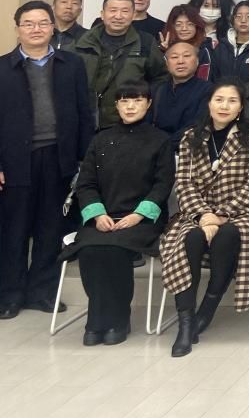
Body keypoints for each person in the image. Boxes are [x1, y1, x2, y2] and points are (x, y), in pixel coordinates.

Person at [0, 0, 96, 319]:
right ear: (17, 29)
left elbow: (84, 114)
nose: (36, 29)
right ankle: (11, 295)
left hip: (59, 158)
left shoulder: (72, 64)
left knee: (51, 229)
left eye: (43, 23)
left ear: (52, 27)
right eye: (28, 23)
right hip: (14, 161)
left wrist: (84, 159)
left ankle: (42, 292)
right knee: (14, 231)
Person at [159, 79, 249, 357]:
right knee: (189, 239)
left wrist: (222, 216)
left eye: (232, 101)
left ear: (241, 107)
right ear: (209, 103)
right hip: (197, 211)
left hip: (244, 211)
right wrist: (204, 215)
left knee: (228, 235)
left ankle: (207, 308)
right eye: (219, 99)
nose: (224, 106)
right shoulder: (191, 137)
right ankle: (186, 322)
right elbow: (184, 184)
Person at [65, 81, 174, 345]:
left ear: (148, 104)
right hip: (102, 217)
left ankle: (117, 319)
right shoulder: (100, 138)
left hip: (142, 219)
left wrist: (138, 215)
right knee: (90, 250)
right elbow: (86, 183)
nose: (130, 106)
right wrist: (97, 214)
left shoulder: (160, 140)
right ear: (116, 105)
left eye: (137, 100)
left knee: (114, 250)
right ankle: (97, 320)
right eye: (124, 101)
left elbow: (163, 185)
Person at [73, 0, 167, 128]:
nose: (118, 16)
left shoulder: (145, 42)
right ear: (102, 14)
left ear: (133, 15)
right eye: (113, 10)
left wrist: (141, 99)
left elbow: (161, 77)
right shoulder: (82, 41)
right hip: (85, 118)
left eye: (125, 11)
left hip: (127, 120)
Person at [151, 42, 213, 145]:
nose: (180, 61)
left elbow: (198, 125)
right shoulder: (157, 89)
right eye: (174, 57)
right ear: (167, 63)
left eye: (187, 56)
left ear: (197, 61)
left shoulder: (208, 90)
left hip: (188, 147)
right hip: (155, 146)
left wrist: (167, 144)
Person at [160, 4, 218, 81]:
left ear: (197, 26)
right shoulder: (163, 48)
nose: (184, 28)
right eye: (178, 25)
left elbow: (205, 81)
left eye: (190, 24)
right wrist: (164, 51)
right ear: (172, 27)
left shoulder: (205, 50)